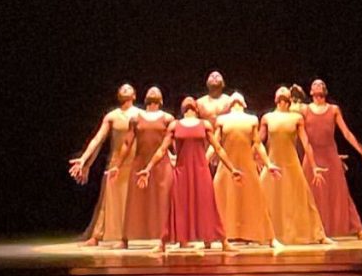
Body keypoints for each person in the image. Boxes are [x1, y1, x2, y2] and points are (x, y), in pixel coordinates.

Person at [137, 97, 242, 254]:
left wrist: (232, 168)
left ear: (197, 108)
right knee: (177, 206)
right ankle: (163, 243)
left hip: (201, 171)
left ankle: (223, 241)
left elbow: (218, 148)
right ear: (182, 108)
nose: (188, 101)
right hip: (182, 171)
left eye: (192, 100)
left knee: (208, 205)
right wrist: (148, 168)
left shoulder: (204, 125)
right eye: (185, 101)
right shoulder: (175, 125)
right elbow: (161, 150)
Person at [302, 79, 362, 239]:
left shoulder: (334, 110)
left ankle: (357, 230)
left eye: (320, 84)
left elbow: (347, 133)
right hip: (312, 156)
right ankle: (314, 230)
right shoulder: (305, 110)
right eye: (314, 84)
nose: (317, 85)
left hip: (330, 155)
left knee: (340, 193)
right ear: (310, 92)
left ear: (325, 90)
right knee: (310, 193)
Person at [68, 84, 139, 246]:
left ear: (135, 95)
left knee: (133, 200)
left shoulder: (140, 114)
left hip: (135, 160)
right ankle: (97, 235)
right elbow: (97, 140)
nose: (125, 89)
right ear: (118, 95)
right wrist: (84, 159)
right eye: (122, 88)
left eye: (129, 88)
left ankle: (131, 236)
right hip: (116, 162)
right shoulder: (111, 116)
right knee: (107, 199)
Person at [259, 87, 331, 245]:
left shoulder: (296, 118)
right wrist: (256, 160)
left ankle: (318, 235)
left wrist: (313, 166)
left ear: (289, 99)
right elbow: (258, 142)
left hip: (291, 163)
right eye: (280, 91)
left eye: (285, 92)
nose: (283, 91)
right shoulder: (267, 117)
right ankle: (263, 234)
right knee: (265, 196)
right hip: (273, 162)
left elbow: (306, 143)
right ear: (275, 98)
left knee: (302, 197)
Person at [105, 87, 176, 248]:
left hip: (162, 164)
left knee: (165, 199)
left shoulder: (168, 118)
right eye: (150, 90)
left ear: (162, 99)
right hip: (140, 162)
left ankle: (166, 238)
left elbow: (172, 142)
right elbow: (127, 143)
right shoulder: (136, 118)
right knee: (134, 201)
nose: (153, 91)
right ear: (144, 98)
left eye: (157, 91)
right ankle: (125, 240)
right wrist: (117, 165)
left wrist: (176, 157)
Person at [212, 92, 282, 248]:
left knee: (256, 198)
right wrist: (203, 161)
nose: (236, 97)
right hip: (228, 165)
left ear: (244, 103)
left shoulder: (252, 119)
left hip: (246, 164)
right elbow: (215, 144)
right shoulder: (222, 120)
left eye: (239, 97)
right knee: (220, 196)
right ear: (229, 104)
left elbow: (257, 144)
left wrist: (269, 164)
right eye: (233, 97)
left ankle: (270, 238)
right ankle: (215, 235)